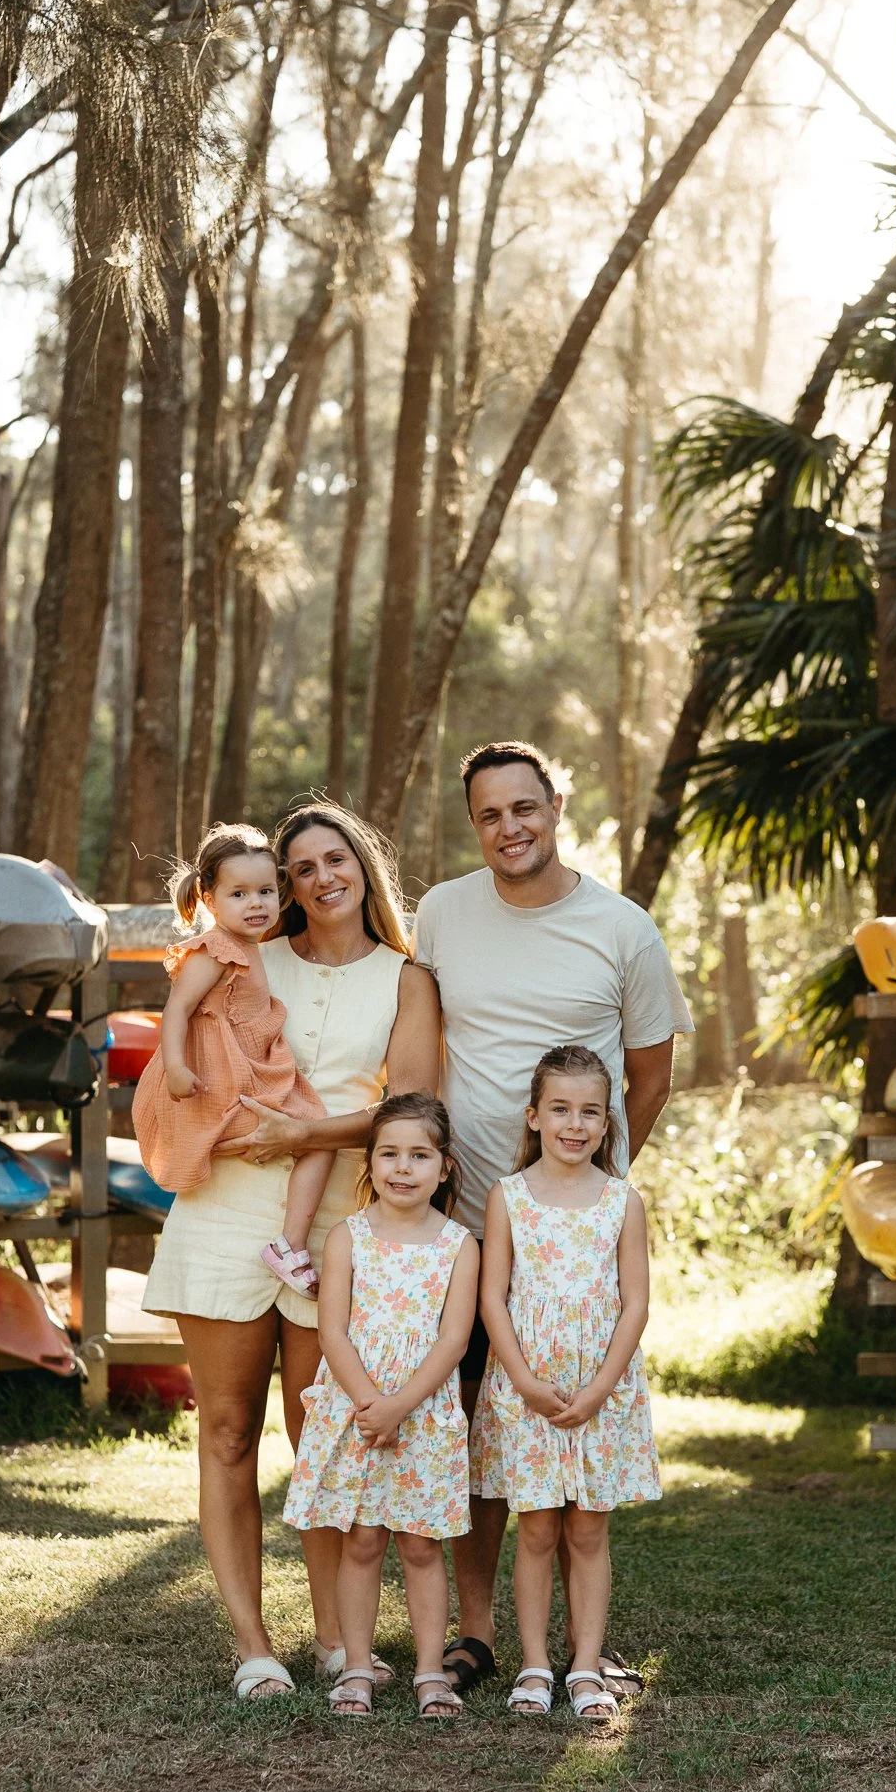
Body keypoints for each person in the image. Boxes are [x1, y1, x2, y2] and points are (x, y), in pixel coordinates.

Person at [412, 739, 691, 1699]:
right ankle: (483, 1634)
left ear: (555, 805)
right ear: (473, 823)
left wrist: (590, 1191)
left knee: (578, 1446)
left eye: (523, 808)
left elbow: (649, 1075)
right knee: (485, 1435)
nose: (508, 829)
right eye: (488, 815)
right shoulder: (443, 913)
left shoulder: (621, 929)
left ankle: (579, 1649)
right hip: (467, 1218)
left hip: (566, 1232)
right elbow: (421, 1038)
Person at [142, 802, 440, 1699]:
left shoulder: (405, 978)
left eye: (333, 860)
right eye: (299, 867)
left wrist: (300, 1137)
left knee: (325, 1436)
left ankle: (334, 1640)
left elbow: (414, 1107)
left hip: (332, 1221)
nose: (318, 879)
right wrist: (228, 1129)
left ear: (362, 868)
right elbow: (175, 1065)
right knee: (228, 1430)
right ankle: (252, 1648)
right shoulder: (242, 950)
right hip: (225, 1206)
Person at [472, 1045, 660, 1724]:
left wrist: (600, 1388)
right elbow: (493, 1299)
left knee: (587, 1532)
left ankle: (584, 1665)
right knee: (536, 1530)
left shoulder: (621, 1202)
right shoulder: (508, 1197)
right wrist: (522, 1378)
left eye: (589, 1112)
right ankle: (533, 1664)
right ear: (533, 1116)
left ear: (607, 1125)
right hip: (528, 1388)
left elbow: (634, 1303)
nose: (573, 1125)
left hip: (599, 1390)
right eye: (559, 1110)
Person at [285, 1093, 479, 1719]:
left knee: (421, 1545)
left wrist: (400, 1405)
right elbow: (332, 1331)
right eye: (389, 1154)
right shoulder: (348, 1237)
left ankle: (429, 1673)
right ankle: (358, 1669)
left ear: (444, 1167)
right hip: (357, 1410)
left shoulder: (458, 1245)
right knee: (362, 1539)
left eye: (419, 1155)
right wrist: (372, 1404)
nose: (403, 1167)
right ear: (370, 1163)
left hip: (422, 1411)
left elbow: (454, 1340)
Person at [133, 823, 332, 1298]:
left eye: (265, 891)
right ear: (208, 897)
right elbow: (178, 1008)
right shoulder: (217, 948)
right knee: (319, 1137)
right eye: (239, 893)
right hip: (226, 1074)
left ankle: (288, 1241)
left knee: (313, 1134)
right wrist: (178, 1067)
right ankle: (290, 1246)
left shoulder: (246, 945)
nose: (256, 903)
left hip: (248, 1067)